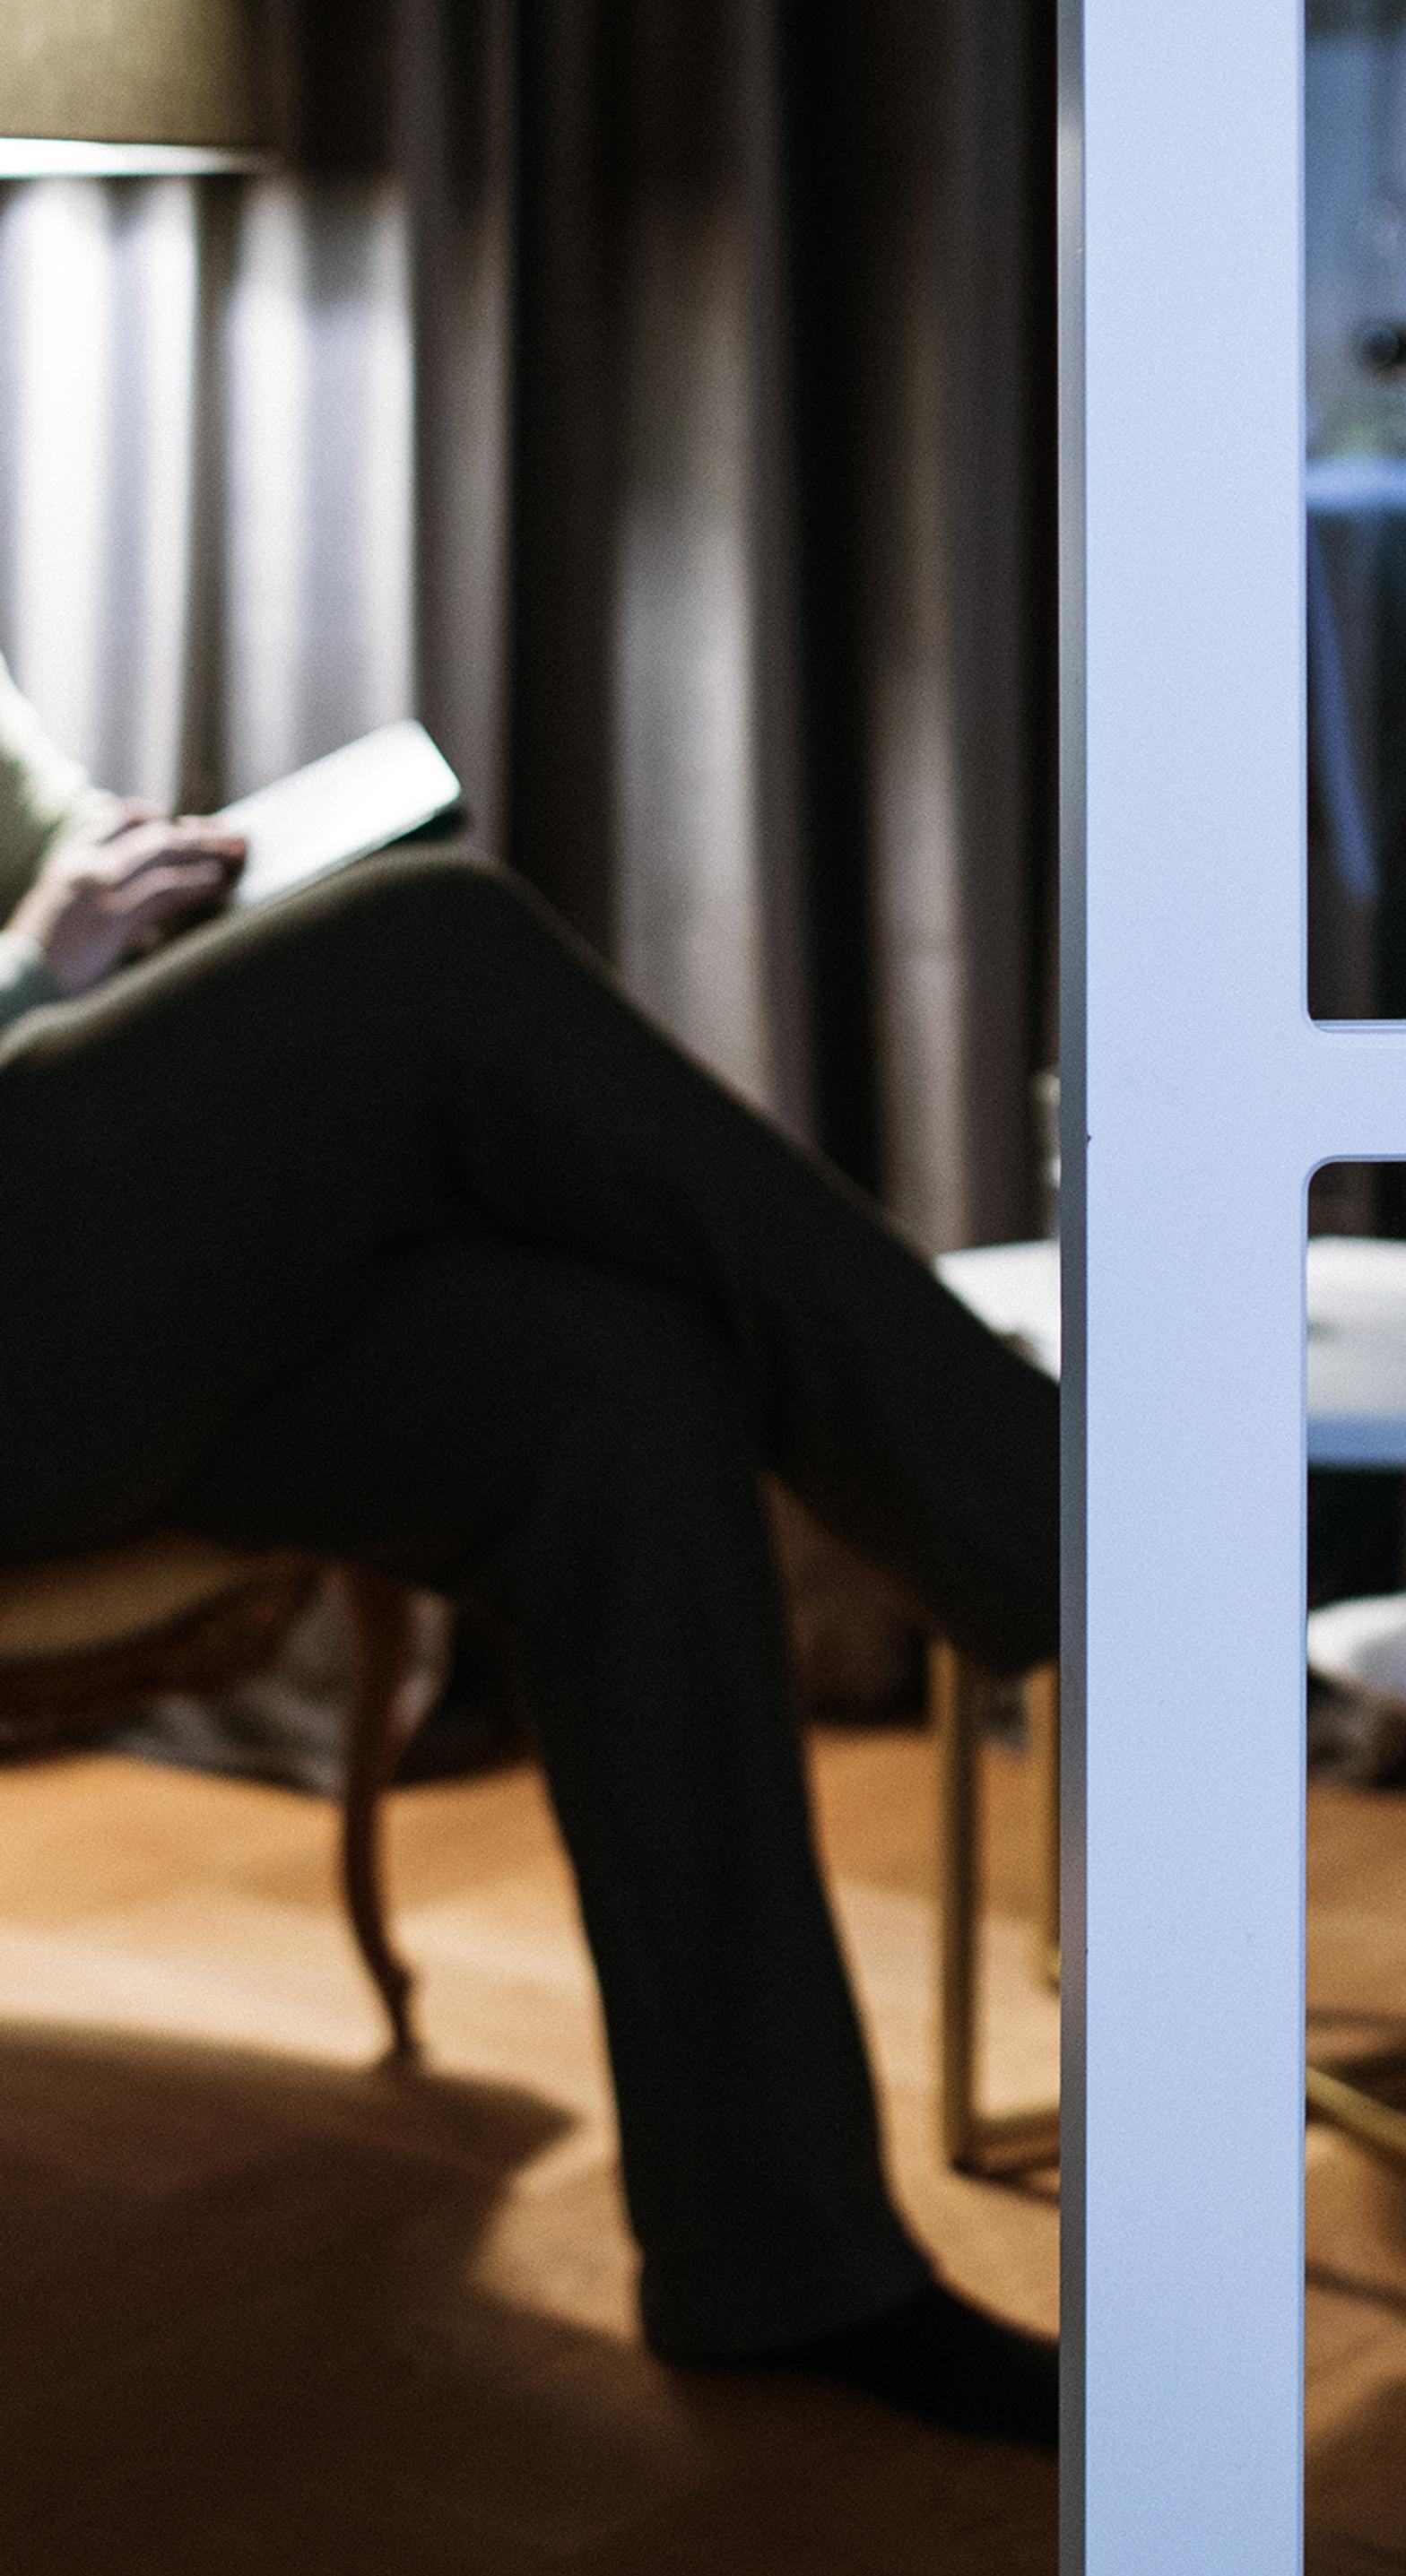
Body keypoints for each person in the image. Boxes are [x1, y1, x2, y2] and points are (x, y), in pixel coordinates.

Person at [0, 651, 1061, 2443]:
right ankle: (1077, 1540)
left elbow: (43, 830)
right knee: (433, 953)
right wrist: (40, 961)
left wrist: (130, 875)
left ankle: (782, 2258)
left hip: (74, 1291)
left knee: (611, 1390)